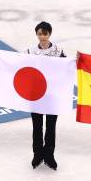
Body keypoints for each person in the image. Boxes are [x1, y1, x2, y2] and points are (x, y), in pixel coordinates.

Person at [27, 21, 66, 170]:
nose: (42, 36)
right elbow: (17, 64)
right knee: (37, 127)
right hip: (35, 95)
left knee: (50, 127)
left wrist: (78, 59)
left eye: (45, 33)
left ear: (50, 34)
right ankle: (37, 155)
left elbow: (67, 67)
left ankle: (49, 156)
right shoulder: (29, 51)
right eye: (39, 34)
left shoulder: (58, 50)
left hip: (52, 95)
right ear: (36, 34)